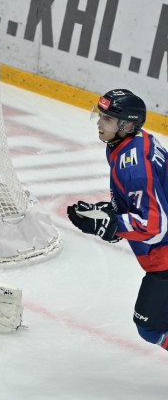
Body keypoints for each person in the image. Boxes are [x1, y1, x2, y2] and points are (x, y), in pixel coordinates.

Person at [67, 89, 168, 352]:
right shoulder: (131, 144)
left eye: (108, 119)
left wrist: (113, 224)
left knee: (152, 326)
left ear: (127, 125)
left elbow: (154, 225)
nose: (100, 123)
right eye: (101, 116)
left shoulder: (131, 163)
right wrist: (109, 215)